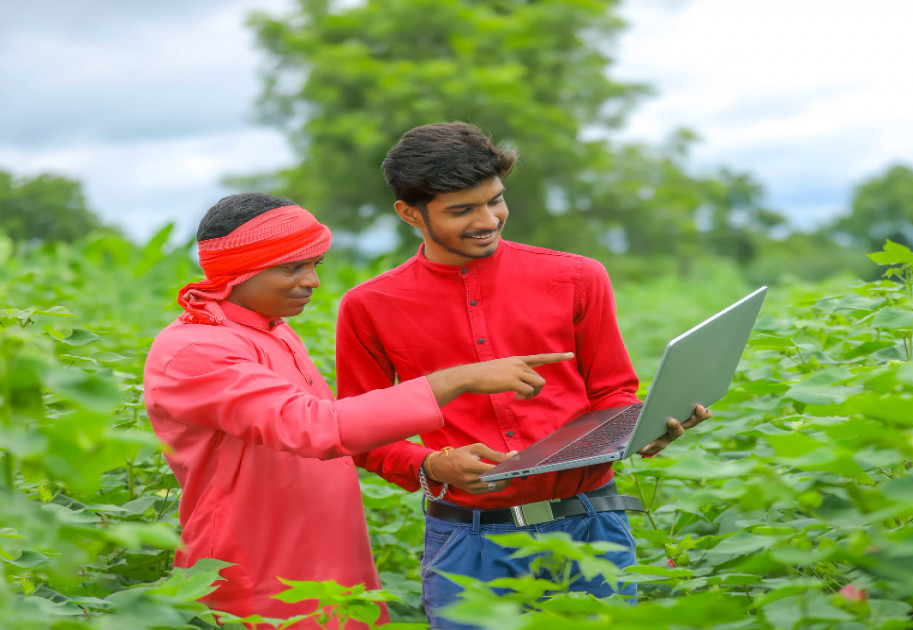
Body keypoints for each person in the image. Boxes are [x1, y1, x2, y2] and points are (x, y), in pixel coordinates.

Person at [335, 122, 711, 629]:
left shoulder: (577, 277)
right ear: (409, 213)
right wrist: (432, 465)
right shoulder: (369, 307)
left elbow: (614, 391)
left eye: (495, 200)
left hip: (591, 525)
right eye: (462, 210)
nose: (487, 219)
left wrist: (640, 427)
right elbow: (360, 432)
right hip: (469, 543)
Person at [143, 193, 573, 629]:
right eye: (292, 267)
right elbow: (313, 426)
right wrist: (457, 379)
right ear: (238, 272)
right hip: (257, 570)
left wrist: (432, 463)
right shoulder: (197, 348)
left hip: (330, 558)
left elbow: (341, 427)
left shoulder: (270, 331)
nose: (312, 281)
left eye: (315, 264)